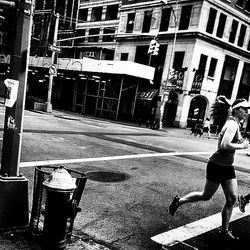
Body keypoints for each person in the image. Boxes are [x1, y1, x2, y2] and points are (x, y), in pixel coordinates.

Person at [169, 97, 250, 242]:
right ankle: (179, 201)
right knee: (206, 196)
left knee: (231, 198)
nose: (247, 112)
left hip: (228, 167)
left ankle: (224, 230)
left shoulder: (235, 122)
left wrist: (227, 100)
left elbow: (232, 108)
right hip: (216, 165)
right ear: (237, 110)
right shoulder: (232, 125)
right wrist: (242, 146)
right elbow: (225, 145)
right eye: (244, 109)